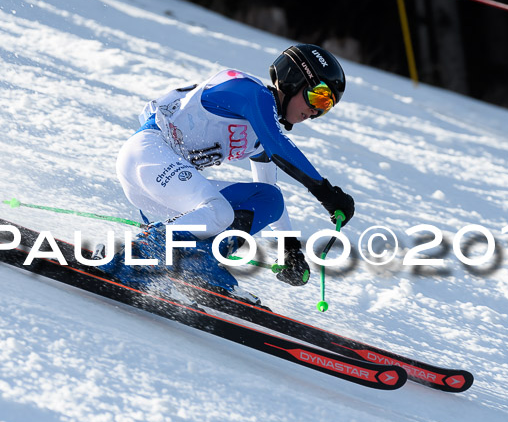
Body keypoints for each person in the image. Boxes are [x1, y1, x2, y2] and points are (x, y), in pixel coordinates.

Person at [105, 44, 355, 295]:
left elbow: (269, 189)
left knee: (269, 199)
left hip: (166, 191)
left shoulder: (259, 134)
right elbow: (279, 146)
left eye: (326, 107)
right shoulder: (251, 93)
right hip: (147, 155)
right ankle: (140, 252)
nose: (316, 111)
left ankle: (200, 262)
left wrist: (289, 250)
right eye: (319, 96)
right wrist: (326, 193)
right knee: (219, 211)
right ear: (294, 80)